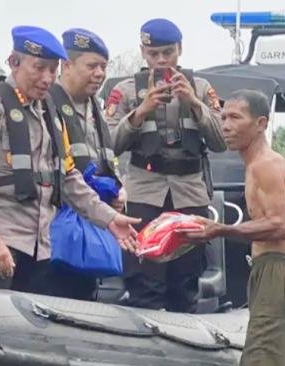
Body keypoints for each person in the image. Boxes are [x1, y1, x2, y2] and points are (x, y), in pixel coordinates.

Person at [0, 25, 139, 294]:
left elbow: (68, 178)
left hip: (41, 248)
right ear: (13, 63)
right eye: (39, 67)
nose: (47, 77)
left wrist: (109, 218)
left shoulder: (50, 113)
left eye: (53, 70)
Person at [180, 89, 285, 366]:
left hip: (278, 269)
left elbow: (279, 225)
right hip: (282, 269)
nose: (225, 125)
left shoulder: (265, 165)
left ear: (261, 124)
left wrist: (221, 229)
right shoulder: (261, 163)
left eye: (235, 118)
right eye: (222, 117)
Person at [105, 18, 226, 312]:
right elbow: (107, 144)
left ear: (180, 49)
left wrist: (195, 104)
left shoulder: (201, 87)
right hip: (143, 195)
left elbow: (222, 141)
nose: (161, 60)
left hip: (189, 195)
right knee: (145, 284)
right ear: (143, 52)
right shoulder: (125, 90)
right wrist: (140, 112)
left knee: (185, 283)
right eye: (154, 53)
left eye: (168, 53)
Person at [50, 28, 126, 299]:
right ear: (66, 65)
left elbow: (107, 159)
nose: (99, 73)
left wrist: (119, 189)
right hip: (58, 222)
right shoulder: (47, 103)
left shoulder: (97, 108)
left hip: (94, 219)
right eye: (91, 66)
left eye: (103, 66)